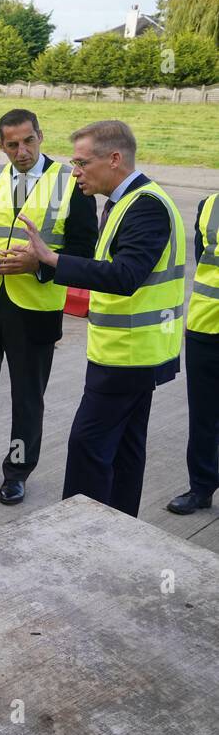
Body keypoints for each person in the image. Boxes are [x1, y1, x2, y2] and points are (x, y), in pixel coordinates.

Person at [12, 120, 186, 517]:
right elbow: (104, 267)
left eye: (81, 163)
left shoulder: (146, 207)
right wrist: (46, 266)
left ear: (114, 158)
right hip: (131, 353)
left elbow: (125, 276)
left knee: (88, 449)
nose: (75, 172)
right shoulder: (126, 201)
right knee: (125, 450)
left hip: (128, 357)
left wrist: (52, 260)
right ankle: (120, 529)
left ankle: (78, 536)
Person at [0, 109, 97, 505]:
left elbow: (83, 250)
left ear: (40, 136)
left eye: (28, 141)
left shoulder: (70, 183)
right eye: (12, 144)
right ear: (1, 145)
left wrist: (40, 264)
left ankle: (17, 472)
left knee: (27, 396)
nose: (21, 150)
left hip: (35, 308)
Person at [166, 190, 219, 515]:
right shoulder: (209, 205)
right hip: (204, 328)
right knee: (203, 417)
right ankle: (200, 487)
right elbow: (204, 262)